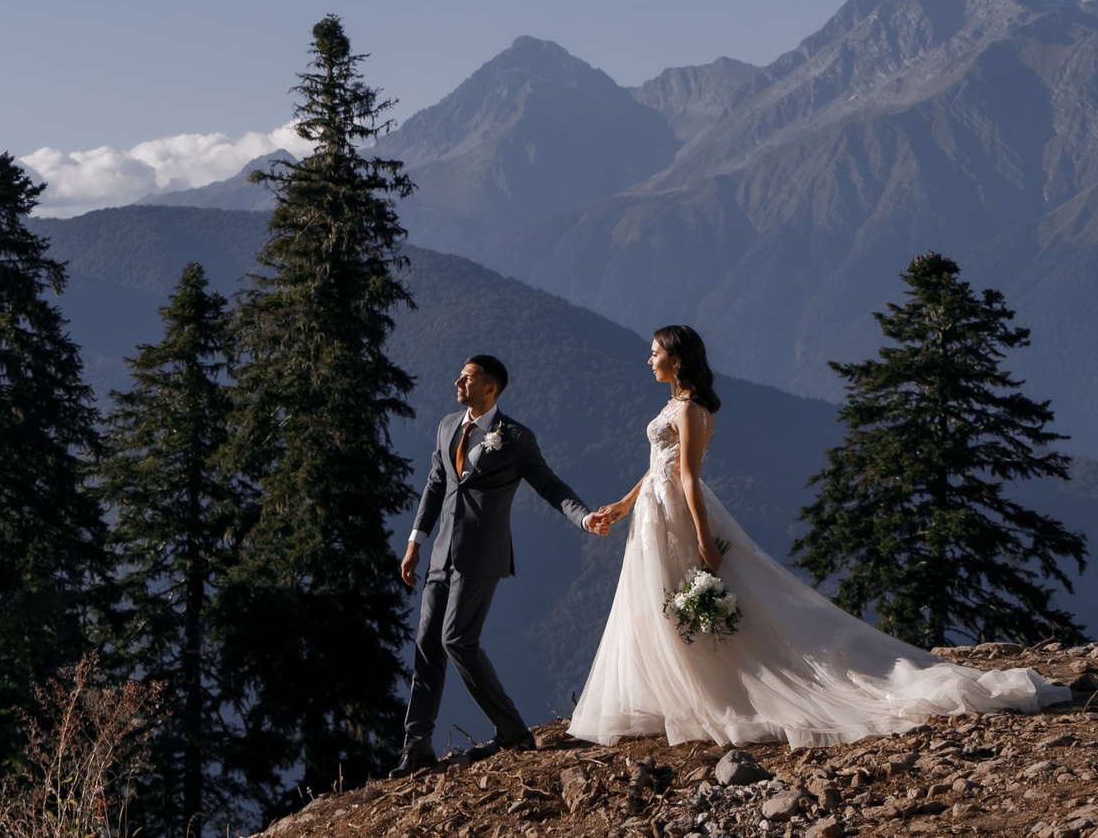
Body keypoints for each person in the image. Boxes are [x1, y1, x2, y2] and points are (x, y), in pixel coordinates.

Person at [571, 324, 1063, 747]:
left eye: (656, 352)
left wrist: (703, 537)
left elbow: (688, 477)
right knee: (659, 598)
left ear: (677, 360)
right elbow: (659, 465)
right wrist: (625, 502)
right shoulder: (674, 405)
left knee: (679, 594)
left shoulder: (690, 410)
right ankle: (672, 691)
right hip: (654, 509)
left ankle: (707, 690)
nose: (649, 359)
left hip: (678, 512)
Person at [394, 354, 605, 777]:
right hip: (440, 555)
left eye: (467, 377)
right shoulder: (447, 426)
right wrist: (415, 541)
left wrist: (583, 516)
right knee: (427, 647)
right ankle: (416, 747)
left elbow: (548, 484)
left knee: (457, 640)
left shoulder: (515, 437)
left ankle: (512, 732)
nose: (458, 381)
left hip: (481, 557)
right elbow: (436, 485)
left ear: (490, 388)